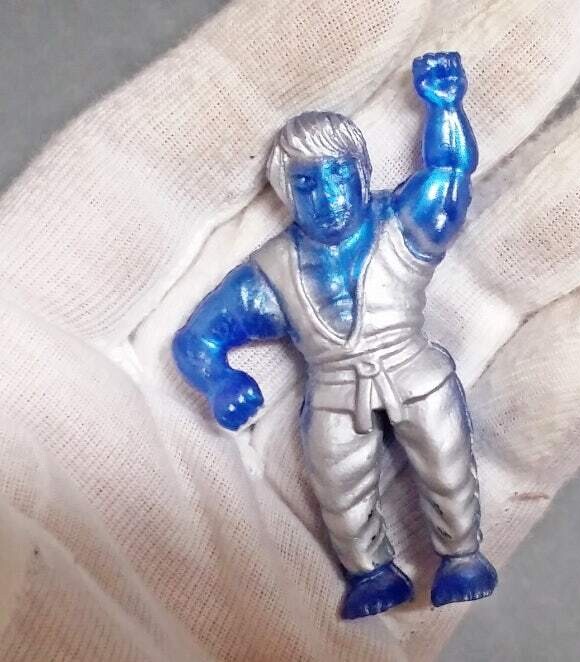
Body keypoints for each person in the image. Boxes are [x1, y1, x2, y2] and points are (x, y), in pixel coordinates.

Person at [173, 52, 498, 619]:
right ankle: (371, 573)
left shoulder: (401, 224)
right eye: (307, 184)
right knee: (339, 489)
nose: (327, 197)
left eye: (339, 176)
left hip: (414, 373)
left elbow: (449, 176)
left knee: (447, 467)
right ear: (285, 192)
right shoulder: (270, 272)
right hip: (332, 393)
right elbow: (196, 339)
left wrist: (445, 107)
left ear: (362, 174)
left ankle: (463, 556)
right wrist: (220, 381)